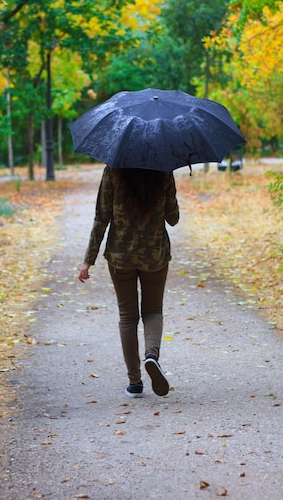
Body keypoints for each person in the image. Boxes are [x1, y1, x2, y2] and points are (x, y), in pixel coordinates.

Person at [78, 166, 179, 398]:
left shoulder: (113, 170)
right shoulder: (163, 170)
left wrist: (88, 260)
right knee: (153, 311)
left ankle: (135, 383)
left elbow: (101, 217)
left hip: (120, 254)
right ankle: (151, 356)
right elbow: (173, 218)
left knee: (127, 317)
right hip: (155, 253)